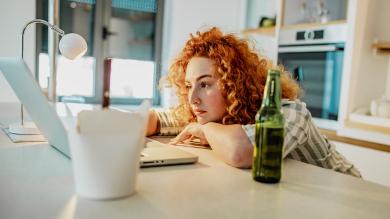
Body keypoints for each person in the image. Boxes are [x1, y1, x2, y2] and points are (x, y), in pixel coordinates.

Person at [146, 27, 361, 178]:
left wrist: (205, 128)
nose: (193, 98)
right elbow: (156, 119)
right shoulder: (214, 111)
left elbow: (243, 151)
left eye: (205, 84)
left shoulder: (290, 113)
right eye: (188, 86)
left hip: (348, 201)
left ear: (234, 84)